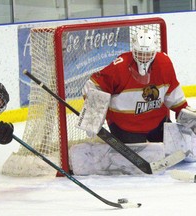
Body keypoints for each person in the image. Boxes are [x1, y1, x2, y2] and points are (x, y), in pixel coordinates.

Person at [71, 28, 193, 175]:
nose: (144, 58)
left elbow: (172, 92)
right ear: (133, 49)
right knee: (143, 156)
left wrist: (185, 112)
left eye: (147, 53)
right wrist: (93, 116)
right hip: (126, 127)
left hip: (156, 123)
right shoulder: (120, 66)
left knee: (186, 151)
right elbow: (92, 85)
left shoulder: (164, 63)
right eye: (140, 53)